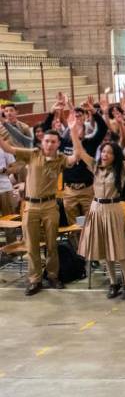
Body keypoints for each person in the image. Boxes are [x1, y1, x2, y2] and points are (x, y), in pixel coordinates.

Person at [0, 115, 80, 296]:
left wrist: (73, 131)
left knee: (52, 244)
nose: (49, 144)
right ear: (41, 142)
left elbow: (75, 157)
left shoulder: (60, 159)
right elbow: (8, 147)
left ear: (58, 144)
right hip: (31, 206)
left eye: (53, 141)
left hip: (50, 206)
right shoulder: (32, 154)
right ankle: (34, 280)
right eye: (46, 141)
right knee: (32, 245)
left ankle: (52, 276)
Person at [72, 135, 125, 300]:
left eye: (109, 153)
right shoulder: (95, 167)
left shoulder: (120, 169)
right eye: (103, 152)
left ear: (115, 156)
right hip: (96, 209)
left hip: (113, 209)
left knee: (120, 251)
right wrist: (72, 130)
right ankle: (113, 283)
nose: (105, 155)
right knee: (106, 251)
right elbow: (79, 150)